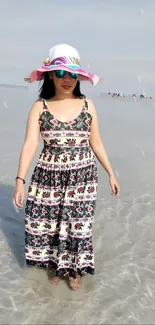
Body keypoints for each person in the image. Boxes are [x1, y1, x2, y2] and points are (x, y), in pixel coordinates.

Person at [13, 44, 120, 291]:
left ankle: (75, 270)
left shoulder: (87, 105)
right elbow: (30, 143)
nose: (67, 79)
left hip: (82, 177)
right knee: (50, 224)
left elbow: (96, 142)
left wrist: (111, 173)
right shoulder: (39, 106)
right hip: (47, 178)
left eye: (72, 73)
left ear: (79, 77)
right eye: (60, 73)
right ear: (50, 75)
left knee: (79, 225)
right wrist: (20, 180)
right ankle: (55, 266)